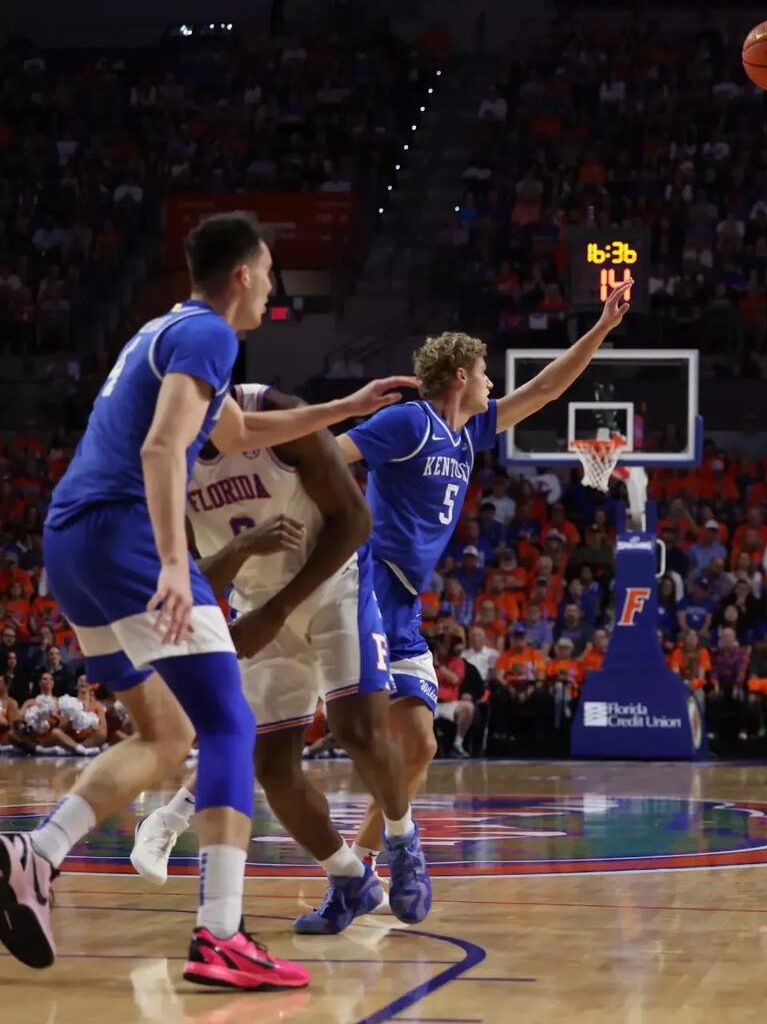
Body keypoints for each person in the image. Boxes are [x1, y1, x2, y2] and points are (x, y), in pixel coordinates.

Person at [0, 211, 409, 986]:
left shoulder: (166, 331)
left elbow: (239, 432)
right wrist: (170, 563)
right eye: (270, 274)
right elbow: (162, 446)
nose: (272, 290)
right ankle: (221, 936)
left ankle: (36, 852)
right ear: (243, 275)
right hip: (124, 536)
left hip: (71, 541)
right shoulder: (211, 335)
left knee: (166, 733)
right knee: (230, 725)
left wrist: (345, 408)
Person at [336, 277, 634, 878]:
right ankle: (189, 805)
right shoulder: (408, 422)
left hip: (404, 600)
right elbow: (329, 455)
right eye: (484, 372)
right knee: (329, 726)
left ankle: (358, 868)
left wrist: (601, 328)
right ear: (459, 377)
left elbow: (545, 390)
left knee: (420, 746)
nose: (493, 382)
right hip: (365, 585)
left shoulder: (470, 431)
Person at [128, 382, 423, 936]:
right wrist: (241, 550)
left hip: (334, 588)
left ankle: (403, 840)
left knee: (358, 730)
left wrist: (279, 608)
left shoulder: (278, 415)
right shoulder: (166, 468)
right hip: (257, 606)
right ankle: (349, 878)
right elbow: (187, 580)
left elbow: (355, 520)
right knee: (272, 768)